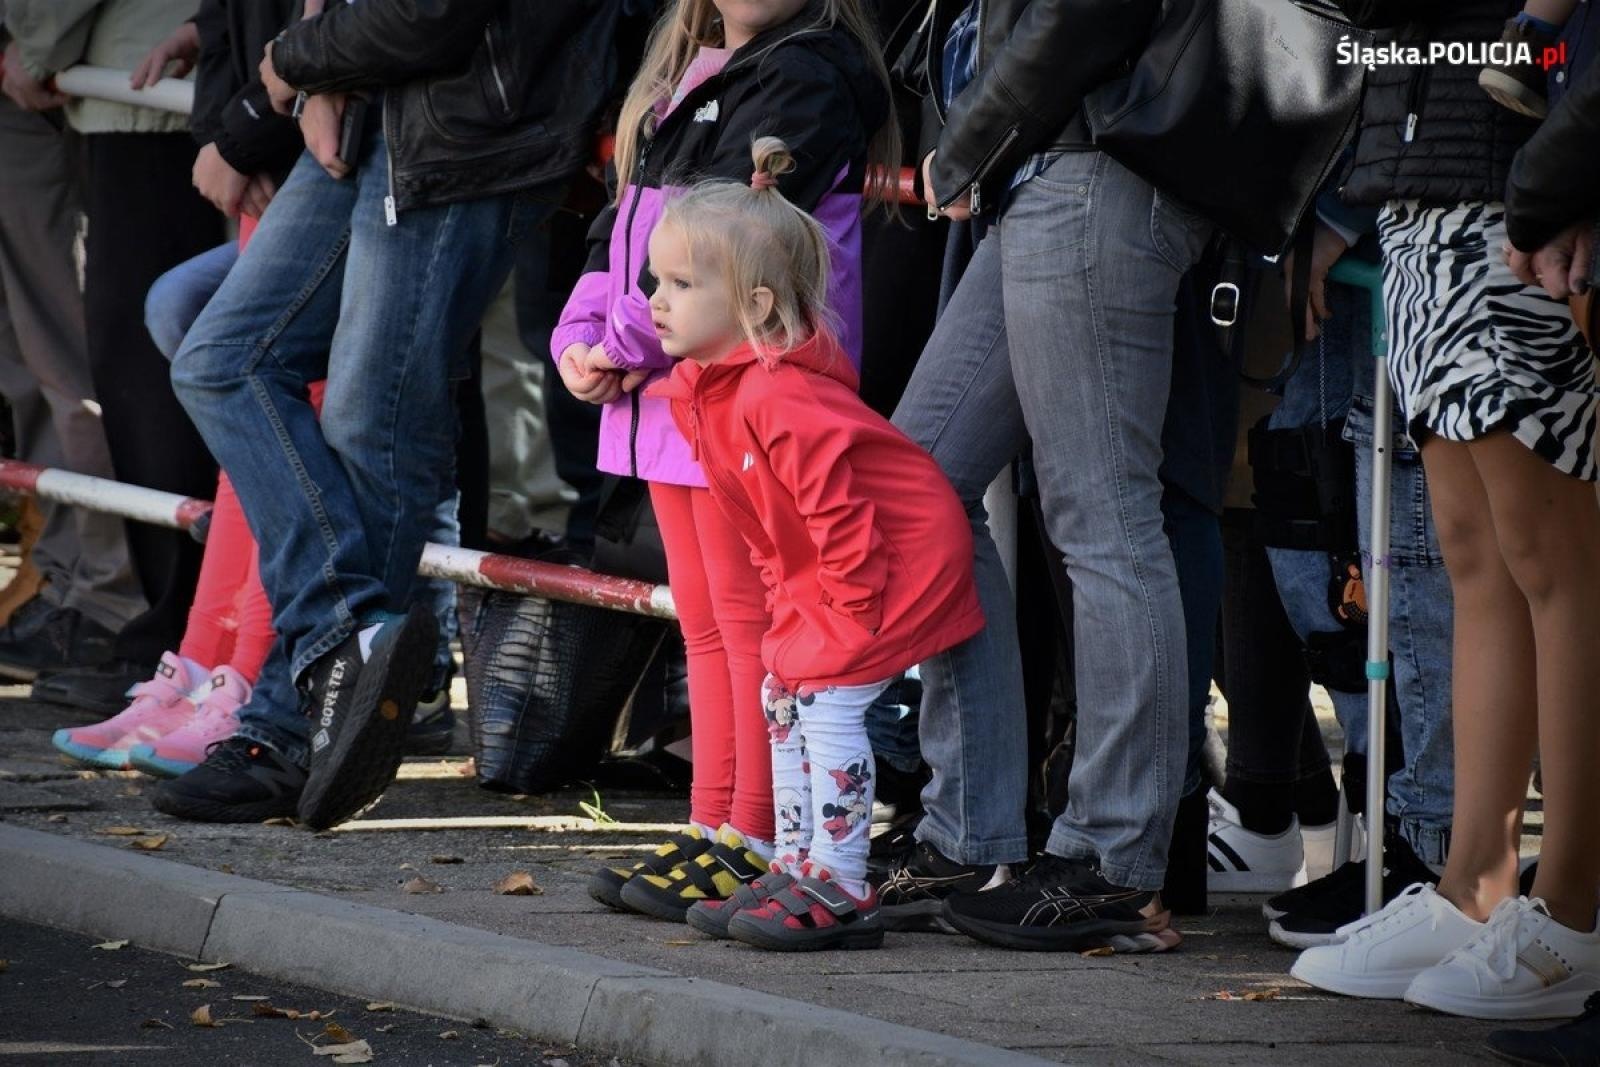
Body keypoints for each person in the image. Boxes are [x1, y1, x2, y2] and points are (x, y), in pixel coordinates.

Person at [166, 0, 623, 830]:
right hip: (369, 93)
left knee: (372, 423)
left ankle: (290, 728)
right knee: (218, 361)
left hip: (463, 122)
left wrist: (300, 59)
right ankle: (345, 636)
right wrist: (311, 72)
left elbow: (434, 16)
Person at [874, 0, 1209, 952]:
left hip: (1093, 161)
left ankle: (1114, 859)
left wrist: (967, 141)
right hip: (1043, 165)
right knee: (916, 482)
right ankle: (968, 833)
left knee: (1100, 513)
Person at [1292, 0, 1600, 1020]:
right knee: (1472, 556)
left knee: (1552, 557)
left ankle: (1570, 904)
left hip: (1518, 191)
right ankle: (1476, 882)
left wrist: (1560, 172)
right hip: (1417, 193)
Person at [556, 0, 897, 920]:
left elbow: (726, 241)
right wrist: (583, 330)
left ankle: (753, 834)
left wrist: (620, 341)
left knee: (753, 626)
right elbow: (620, 232)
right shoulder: (681, 76)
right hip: (678, 394)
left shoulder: (809, 70)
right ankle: (717, 822)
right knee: (705, 622)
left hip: (754, 396)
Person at [628, 140, 982, 950]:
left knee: (826, 706)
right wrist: (791, 603)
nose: (657, 298)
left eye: (683, 284)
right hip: (826, 577)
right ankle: (795, 861)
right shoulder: (704, 387)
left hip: (895, 565)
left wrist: (845, 612)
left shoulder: (780, 395)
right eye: (658, 278)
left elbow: (840, 511)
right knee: (780, 696)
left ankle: (844, 882)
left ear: (753, 306)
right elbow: (761, 516)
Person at [3, 0, 225, 695]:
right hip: (134, 72)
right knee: (134, 356)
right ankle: (164, 625)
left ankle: (160, 622)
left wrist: (35, 44)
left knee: (141, 362)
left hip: (144, 78)